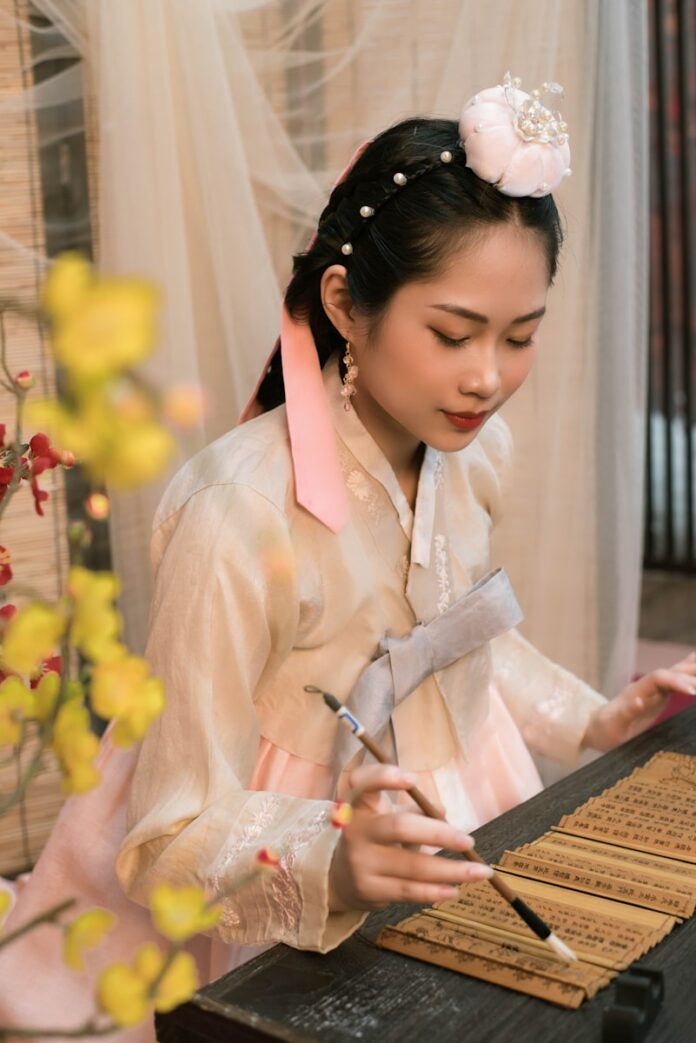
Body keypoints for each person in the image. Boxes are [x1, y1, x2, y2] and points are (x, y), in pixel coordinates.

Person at [1, 73, 695, 1040]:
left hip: (446, 813)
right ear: (344, 302)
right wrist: (332, 863)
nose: (488, 376)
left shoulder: (471, 449)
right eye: (453, 333)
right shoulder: (237, 511)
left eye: (521, 335)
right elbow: (165, 833)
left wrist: (594, 715)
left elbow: (455, 643)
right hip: (281, 848)